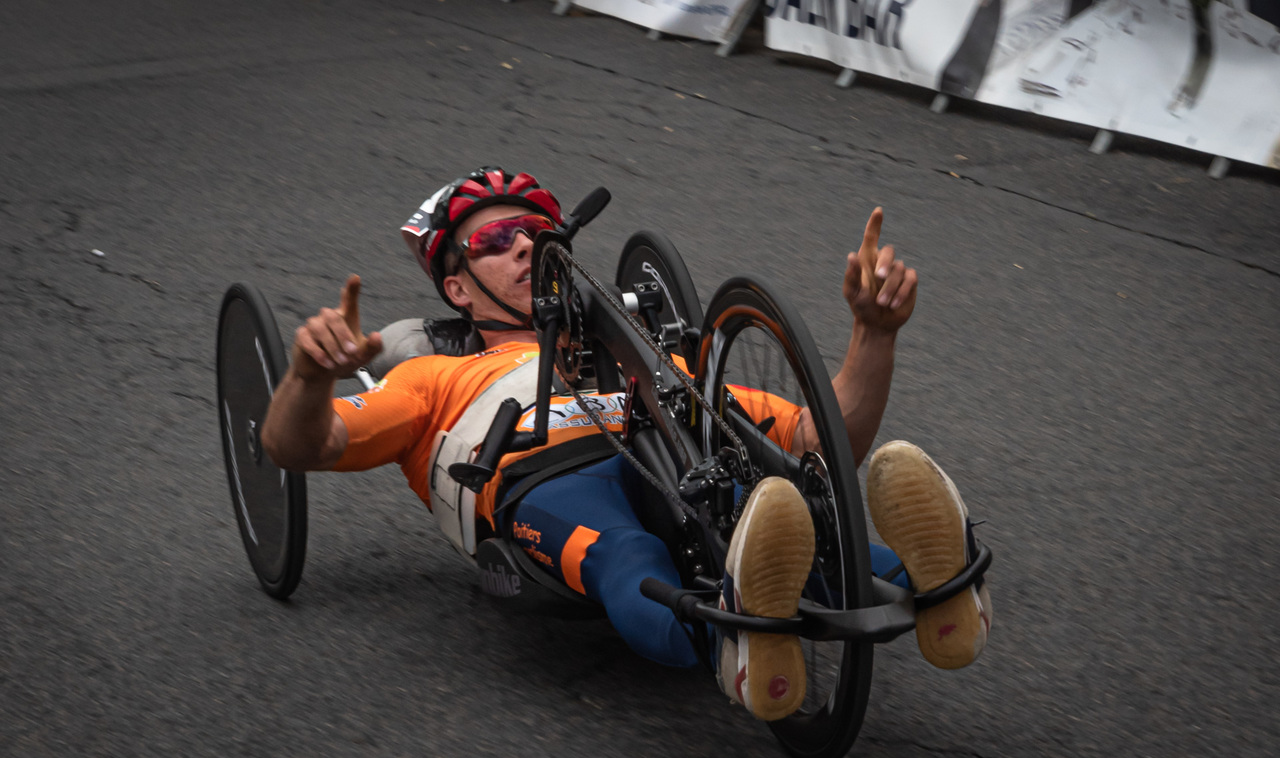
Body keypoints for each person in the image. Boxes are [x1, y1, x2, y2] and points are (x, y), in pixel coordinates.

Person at [261, 166, 992, 722]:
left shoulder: (646, 361)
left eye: (535, 231)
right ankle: (735, 644)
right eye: (494, 240)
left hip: (671, 446)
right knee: (625, 553)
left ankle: (938, 591)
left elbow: (817, 440)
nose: (524, 244)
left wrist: (874, 334)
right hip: (542, 477)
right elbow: (304, 445)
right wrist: (307, 376)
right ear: (456, 288)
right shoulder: (431, 377)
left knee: (782, 509)